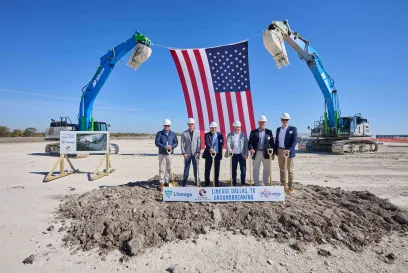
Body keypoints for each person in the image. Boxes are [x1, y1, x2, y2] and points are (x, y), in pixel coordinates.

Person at [274, 113, 298, 193]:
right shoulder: (278, 129)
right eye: (283, 120)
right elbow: (276, 141)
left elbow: (294, 141)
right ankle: (282, 184)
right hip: (280, 151)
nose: (285, 121)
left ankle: (290, 186)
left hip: (289, 152)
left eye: (286, 120)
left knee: (290, 169)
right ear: (281, 120)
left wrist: (289, 149)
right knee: (282, 169)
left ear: (288, 120)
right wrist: (275, 151)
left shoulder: (293, 129)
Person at [248, 115, 275, 186]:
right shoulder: (253, 132)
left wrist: (273, 154)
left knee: (267, 169)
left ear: (265, 123)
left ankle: (265, 182)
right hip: (256, 153)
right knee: (256, 169)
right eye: (261, 122)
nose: (262, 124)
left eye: (263, 122)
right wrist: (251, 148)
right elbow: (250, 142)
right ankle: (256, 182)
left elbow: (272, 143)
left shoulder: (269, 132)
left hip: (266, 153)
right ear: (258, 123)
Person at [155, 119, 178, 190]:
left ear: (169, 126)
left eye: (168, 126)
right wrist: (165, 147)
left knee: (169, 168)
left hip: (170, 154)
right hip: (162, 153)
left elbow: (176, 143)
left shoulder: (173, 134)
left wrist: (171, 146)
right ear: (163, 126)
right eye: (165, 126)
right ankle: (161, 182)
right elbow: (157, 142)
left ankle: (167, 181)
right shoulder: (159, 133)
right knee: (162, 168)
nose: (166, 127)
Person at [226, 120, 248, 186]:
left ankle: (243, 183)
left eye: (238, 127)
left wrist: (246, 154)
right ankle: (234, 183)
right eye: (236, 127)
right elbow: (228, 142)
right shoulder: (230, 135)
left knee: (243, 170)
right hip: (233, 155)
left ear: (240, 127)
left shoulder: (243, 135)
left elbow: (246, 145)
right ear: (233, 127)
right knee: (233, 170)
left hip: (242, 155)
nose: (237, 129)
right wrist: (229, 149)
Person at [180, 118, 201, 187]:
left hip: (195, 154)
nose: (191, 125)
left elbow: (199, 143)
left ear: (194, 125)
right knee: (186, 168)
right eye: (190, 124)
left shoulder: (197, 133)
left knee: (196, 168)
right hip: (187, 154)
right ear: (188, 125)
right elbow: (182, 144)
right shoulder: (184, 133)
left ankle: (196, 181)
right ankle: (184, 182)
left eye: (192, 124)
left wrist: (198, 152)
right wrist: (184, 153)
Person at [202, 121, 224, 187]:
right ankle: (207, 182)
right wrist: (210, 149)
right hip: (209, 154)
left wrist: (219, 148)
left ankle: (216, 182)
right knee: (207, 169)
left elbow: (222, 143)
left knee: (217, 169)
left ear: (216, 128)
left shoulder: (220, 135)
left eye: (215, 128)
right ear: (210, 128)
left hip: (217, 154)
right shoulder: (207, 135)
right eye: (212, 128)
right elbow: (207, 143)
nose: (213, 129)